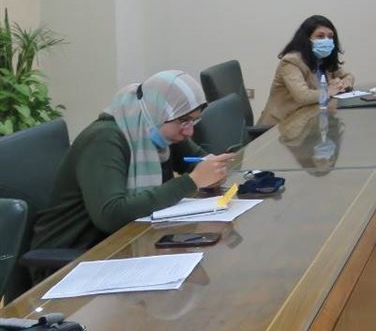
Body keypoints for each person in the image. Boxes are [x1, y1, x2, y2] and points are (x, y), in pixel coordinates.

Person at [31, 71, 237, 254]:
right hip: (76, 255)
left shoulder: (157, 129)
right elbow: (111, 214)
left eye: (194, 120)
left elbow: (197, 161)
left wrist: (213, 170)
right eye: (184, 121)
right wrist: (191, 181)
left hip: (126, 241)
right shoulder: (104, 140)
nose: (189, 131)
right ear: (156, 113)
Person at [258, 14, 355, 127]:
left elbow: (348, 76)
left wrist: (343, 84)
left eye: (330, 37)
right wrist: (328, 91)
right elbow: (303, 97)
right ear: (306, 39)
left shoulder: (324, 60)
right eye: (320, 36)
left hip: (308, 121)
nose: (326, 40)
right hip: (280, 126)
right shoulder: (291, 61)